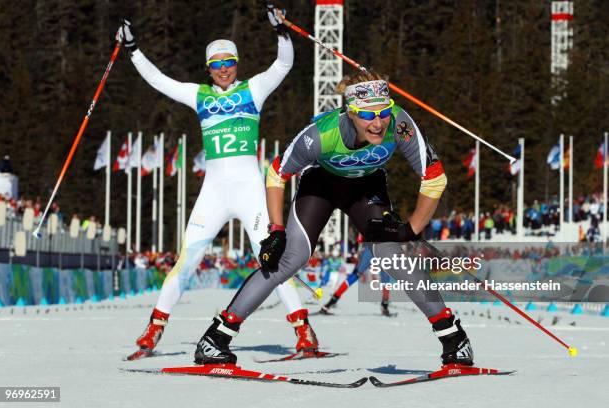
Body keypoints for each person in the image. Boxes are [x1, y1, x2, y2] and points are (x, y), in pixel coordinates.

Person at [193, 70, 474, 367]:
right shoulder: (320, 134)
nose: (378, 123)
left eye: (383, 112)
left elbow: (434, 177)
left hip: (367, 188)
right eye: (366, 114)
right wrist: (276, 230)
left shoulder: (399, 123)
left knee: (391, 255)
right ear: (350, 112)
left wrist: (411, 229)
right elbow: (277, 173)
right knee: (290, 257)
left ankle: (455, 340)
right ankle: (216, 338)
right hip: (321, 187)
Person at [117, 5, 321, 357]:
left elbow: (284, 65)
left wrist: (281, 32)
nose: (224, 69)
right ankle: (153, 331)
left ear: (237, 64)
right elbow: (158, 80)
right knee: (187, 260)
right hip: (214, 192)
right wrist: (133, 49)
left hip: (249, 191)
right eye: (217, 64)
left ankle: (304, 331)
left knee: (273, 260)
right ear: (209, 68)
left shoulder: (253, 89)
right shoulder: (199, 95)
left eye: (229, 62)